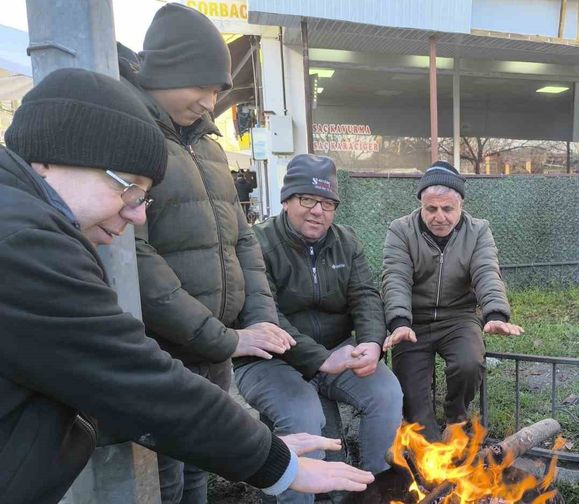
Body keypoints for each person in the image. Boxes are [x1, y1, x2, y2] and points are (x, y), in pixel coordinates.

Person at [0, 67, 373, 504]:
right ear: (49, 158)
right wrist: (274, 461)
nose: (138, 216)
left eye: (144, 197)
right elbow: (133, 379)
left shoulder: (25, 225)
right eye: (130, 189)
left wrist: (260, 448)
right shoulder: (24, 244)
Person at [118, 5, 294, 502]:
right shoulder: (131, 132)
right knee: (162, 478)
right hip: (162, 347)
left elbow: (242, 240)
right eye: (205, 86)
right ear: (169, 70)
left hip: (217, 348)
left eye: (219, 90)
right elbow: (136, 253)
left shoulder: (211, 148)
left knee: (202, 466)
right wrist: (223, 337)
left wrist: (260, 320)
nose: (212, 101)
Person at [234, 154, 403, 504]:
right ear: (286, 200)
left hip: (336, 352)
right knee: (304, 415)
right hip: (269, 359)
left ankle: (374, 491)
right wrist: (320, 360)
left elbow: (366, 296)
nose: (317, 211)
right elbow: (263, 314)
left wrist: (372, 343)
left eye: (327, 203)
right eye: (306, 199)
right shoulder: (257, 243)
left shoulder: (347, 241)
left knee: (387, 394)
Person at [381, 161, 523, 439]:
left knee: (469, 362)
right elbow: (395, 277)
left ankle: (456, 417)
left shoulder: (478, 231)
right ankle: (431, 447)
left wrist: (495, 314)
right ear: (421, 204)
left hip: (459, 317)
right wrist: (399, 321)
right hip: (413, 322)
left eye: (448, 209)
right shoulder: (400, 230)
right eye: (431, 209)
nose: (439, 217)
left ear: (460, 206)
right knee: (415, 411)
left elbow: (486, 272)